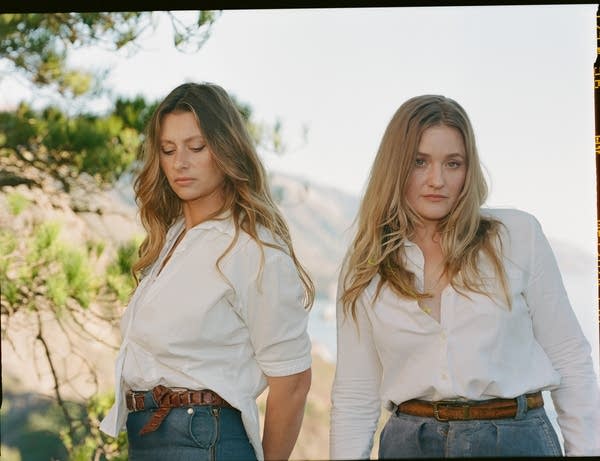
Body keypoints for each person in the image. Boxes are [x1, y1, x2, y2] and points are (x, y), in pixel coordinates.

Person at [329, 94, 600, 458]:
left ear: (468, 171)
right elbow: (355, 395)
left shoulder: (518, 236)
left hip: (516, 443)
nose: (436, 180)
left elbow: (570, 357)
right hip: (409, 445)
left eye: (453, 164)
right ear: (395, 167)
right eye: (419, 162)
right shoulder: (365, 265)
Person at [99, 82, 314, 461]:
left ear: (226, 149)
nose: (179, 162)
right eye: (168, 150)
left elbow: (293, 383)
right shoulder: (172, 241)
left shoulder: (252, 248)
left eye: (196, 147)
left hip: (204, 441)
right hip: (148, 439)